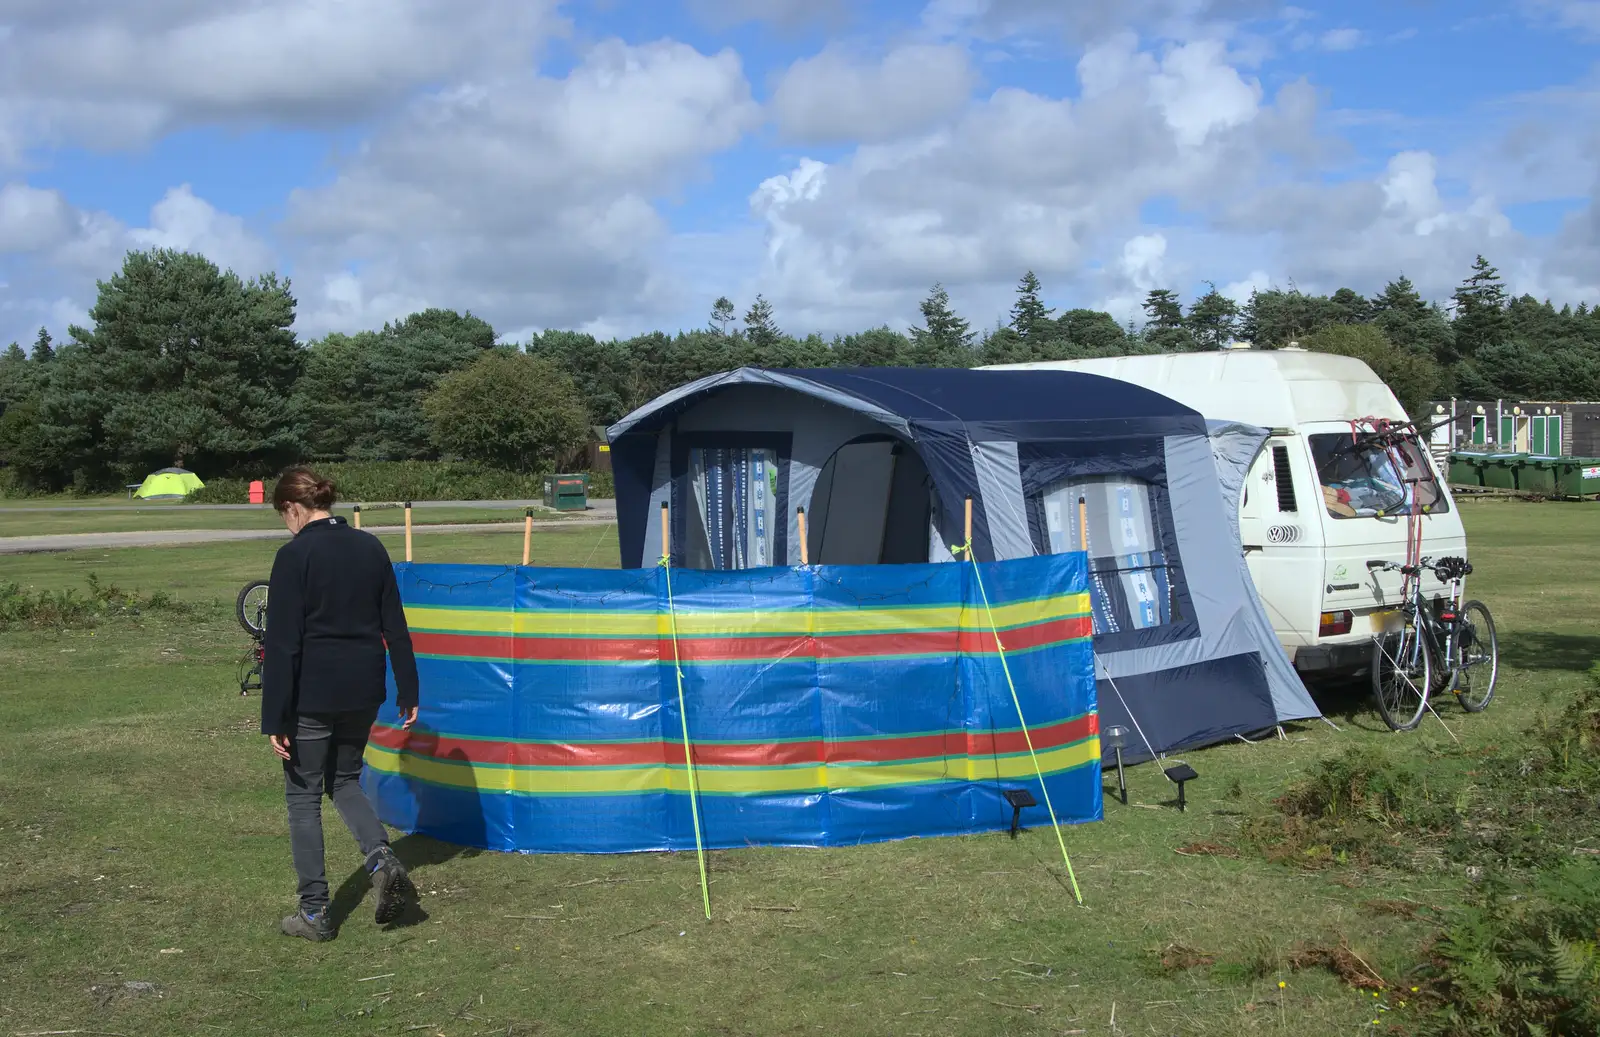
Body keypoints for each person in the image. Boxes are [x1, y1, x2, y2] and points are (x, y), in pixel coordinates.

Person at [261, 466, 421, 941]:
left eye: (283, 515)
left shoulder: (294, 556)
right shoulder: (371, 547)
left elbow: (284, 644)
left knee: (303, 796)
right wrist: (408, 689)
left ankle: (314, 912)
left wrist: (275, 717)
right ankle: (381, 858)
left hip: (313, 694)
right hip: (364, 690)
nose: (285, 525)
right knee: (345, 780)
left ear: (295, 508)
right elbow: (396, 625)